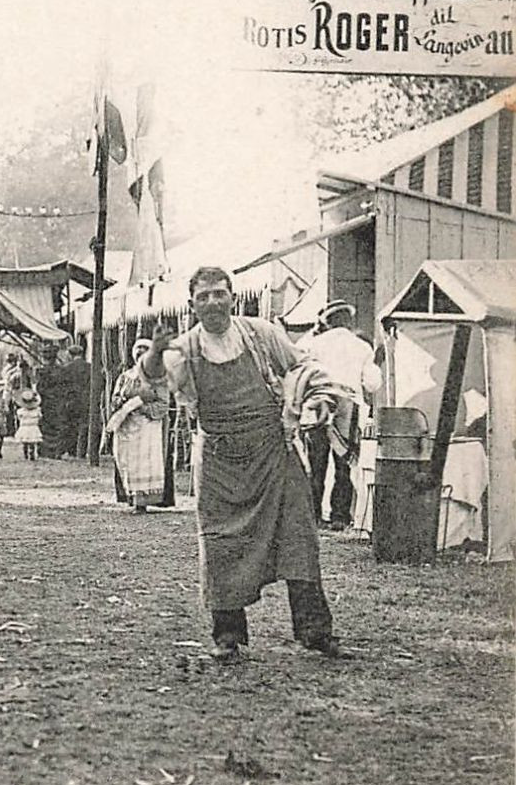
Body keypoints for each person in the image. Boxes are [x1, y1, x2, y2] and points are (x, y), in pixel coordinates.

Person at [137, 266, 349, 662]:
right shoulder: (183, 349)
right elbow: (151, 383)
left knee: (299, 538)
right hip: (220, 461)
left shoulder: (261, 333)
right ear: (192, 304)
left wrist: (312, 398)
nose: (213, 302)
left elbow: (301, 364)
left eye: (220, 294)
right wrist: (153, 352)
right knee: (220, 546)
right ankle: (228, 637)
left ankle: (316, 632)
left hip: (274, 454)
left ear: (232, 297)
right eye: (204, 296)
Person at [300, 300, 381, 531]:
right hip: (348, 405)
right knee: (344, 462)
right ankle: (340, 516)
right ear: (348, 321)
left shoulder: (313, 345)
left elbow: (302, 373)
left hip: (319, 404)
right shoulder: (362, 347)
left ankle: (313, 515)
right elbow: (373, 384)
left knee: (315, 463)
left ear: (328, 322)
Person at [108, 338, 169, 512]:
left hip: (146, 427)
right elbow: (114, 398)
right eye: (137, 350)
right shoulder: (125, 376)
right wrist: (121, 402)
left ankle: (142, 501)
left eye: (145, 350)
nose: (140, 353)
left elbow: (163, 404)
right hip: (126, 425)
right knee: (126, 460)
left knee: (144, 462)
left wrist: (142, 407)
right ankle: (130, 495)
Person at [14, 387, 43, 460]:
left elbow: (19, 418)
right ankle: (31, 453)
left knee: (25, 441)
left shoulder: (20, 411)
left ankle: (26, 453)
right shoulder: (37, 411)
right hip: (33, 426)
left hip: (24, 426)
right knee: (32, 442)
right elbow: (40, 417)